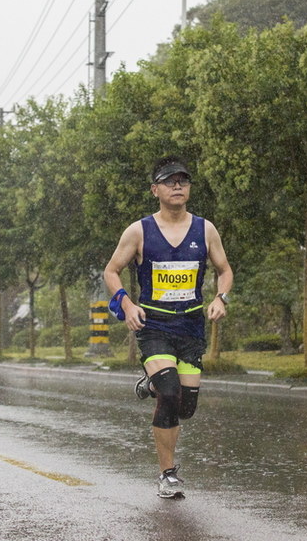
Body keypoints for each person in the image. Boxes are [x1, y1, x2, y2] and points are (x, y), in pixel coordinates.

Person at [103, 157, 233, 498]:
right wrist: (127, 304)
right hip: (154, 324)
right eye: (170, 181)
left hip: (190, 326)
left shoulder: (205, 229)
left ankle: (152, 382)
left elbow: (225, 269)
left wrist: (221, 298)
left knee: (185, 407)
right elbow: (111, 271)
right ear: (155, 189)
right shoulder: (139, 231)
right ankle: (168, 474)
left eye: (183, 181)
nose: (178, 186)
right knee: (170, 394)